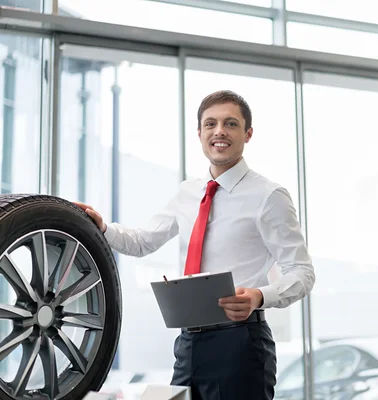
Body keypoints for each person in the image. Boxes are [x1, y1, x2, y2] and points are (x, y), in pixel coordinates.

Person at [73, 90, 315, 400]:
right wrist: (103, 228)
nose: (220, 132)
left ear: (248, 133)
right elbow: (144, 241)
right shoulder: (188, 192)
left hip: (240, 342)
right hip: (188, 343)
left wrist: (259, 295)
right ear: (199, 133)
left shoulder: (269, 196)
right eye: (211, 124)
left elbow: (303, 272)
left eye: (231, 124)